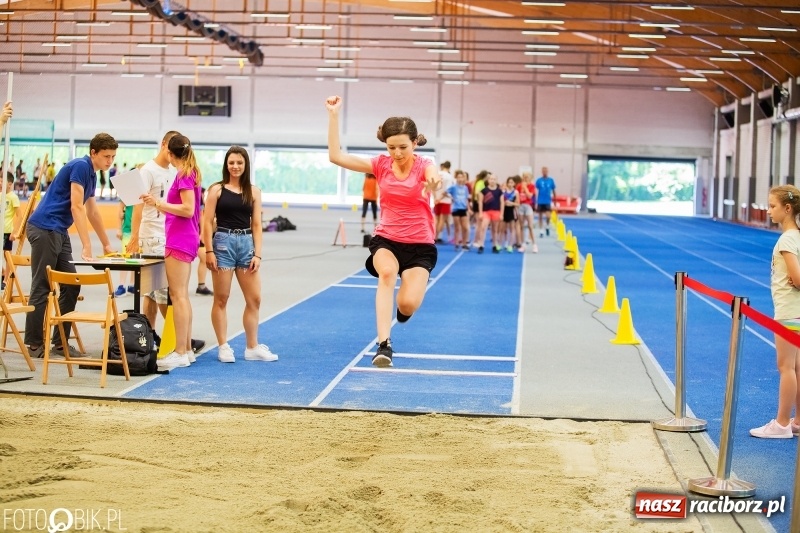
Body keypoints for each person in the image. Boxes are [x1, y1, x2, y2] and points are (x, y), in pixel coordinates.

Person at [326, 95, 440, 368]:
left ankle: (403, 312)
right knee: (387, 274)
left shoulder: (424, 165)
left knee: (408, 304)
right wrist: (333, 115)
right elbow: (336, 156)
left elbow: (434, 175)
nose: (397, 153)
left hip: (420, 245)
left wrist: (435, 182)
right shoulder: (380, 164)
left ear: (415, 143)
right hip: (387, 239)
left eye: (403, 147)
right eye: (391, 147)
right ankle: (384, 345)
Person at [24, 133, 118, 359]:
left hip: (59, 230)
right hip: (44, 227)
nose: (110, 161)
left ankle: (60, 343)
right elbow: (77, 207)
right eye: (106, 156)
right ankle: (34, 343)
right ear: (93, 152)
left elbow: (93, 211)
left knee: (71, 285)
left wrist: (106, 243)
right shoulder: (80, 166)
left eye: (113, 157)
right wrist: (86, 245)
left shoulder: (93, 175)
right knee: (42, 285)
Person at [203, 146, 278, 363]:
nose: (235, 166)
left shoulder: (254, 192)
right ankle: (223, 346)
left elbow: (256, 224)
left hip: (246, 246)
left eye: (239, 163)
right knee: (221, 298)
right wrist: (208, 250)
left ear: (246, 165)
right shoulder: (216, 190)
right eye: (231, 163)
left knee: (254, 299)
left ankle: (252, 346)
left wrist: (258, 254)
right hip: (223, 245)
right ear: (226, 165)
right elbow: (207, 222)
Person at [141, 134, 202, 370]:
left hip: (179, 240)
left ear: (170, 153)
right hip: (183, 238)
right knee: (181, 297)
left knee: (177, 297)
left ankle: (180, 351)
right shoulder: (191, 172)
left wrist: (157, 203)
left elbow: (187, 209)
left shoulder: (184, 174)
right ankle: (185, 349)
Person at [750, 185, 800, 438]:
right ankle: (798, 421)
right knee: (797, 367)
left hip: (789, 311)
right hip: (796, 311)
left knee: (786, 367)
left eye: (772, 206)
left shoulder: (788, 239)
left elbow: (797, 278)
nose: (768, 211)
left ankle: (781, 424)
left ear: (787, 208)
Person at [475, 172, 503, 254]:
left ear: (496, 180)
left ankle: (494, 245)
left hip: (496, 211)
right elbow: (480, 202)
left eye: (494, 179)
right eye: (491, 179)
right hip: (486, 212)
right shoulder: (484, 190)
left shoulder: (499, 191)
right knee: (483, 228)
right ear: (488, 180)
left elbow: (502, 203)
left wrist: (501, 214)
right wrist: (480, 212)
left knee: (495, 229)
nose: (492, 181)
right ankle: (481, 245)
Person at [2, 171, 21, 289]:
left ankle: (6, 279)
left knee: (7, 255)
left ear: (9, 184)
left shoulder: (13, 197)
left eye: (2, 182)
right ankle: (3, 272)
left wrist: (14, 232)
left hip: (7, 230)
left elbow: (20, 216)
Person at [114, 198, 135, 297]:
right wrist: (119, 229)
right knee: (125, 257)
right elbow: (120, 212)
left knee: (136, 258)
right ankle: (121, 285)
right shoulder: (126, 193)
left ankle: (132, 285)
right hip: (127, 230)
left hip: (139, 231)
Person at [447, 170, 471, 251]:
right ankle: (456, 243)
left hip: (463, 209)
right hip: (456, 209)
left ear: (464, 178)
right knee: (457, 227)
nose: (460, 179)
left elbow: (466, 199)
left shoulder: (465, 188)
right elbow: (445, 192)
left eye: (461, 177)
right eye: (458, 177)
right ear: (456, 178)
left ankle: (464, 243)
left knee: (465, 227)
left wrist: (469, 209)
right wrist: (451, 197)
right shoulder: (453, 187)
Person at [196, 187, 213, 296]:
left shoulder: (198, 191)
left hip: (196, 231)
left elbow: (201, 214)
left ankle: (201, 286)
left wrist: (202, 232)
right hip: (186, 231)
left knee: (204, 257)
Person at [517, 171, 538, 253]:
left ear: (530, 178)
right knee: (521, 226)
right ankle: (523, 244)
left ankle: (534, 245)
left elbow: (529, 196)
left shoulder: (532, 186)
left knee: (530, 226)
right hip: (521, 206)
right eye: (524, 177)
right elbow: (517, 196)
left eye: (527, 177)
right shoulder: (519, 186)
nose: (525, 178)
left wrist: (525, 187)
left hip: (528, 206)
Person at [434, 160, 454, 243]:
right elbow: (447, 190)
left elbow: (433, 187)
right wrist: (440, 198)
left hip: (437, 199)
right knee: (442, 221)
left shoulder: (438, 174)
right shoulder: (449, 176)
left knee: (437, 220)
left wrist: (436, 198)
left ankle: (434, 236)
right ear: (449, 167)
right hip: (445, 200)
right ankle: (436, 237)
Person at [535, 166, 556, 237]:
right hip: (540, 201)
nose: (545, 172)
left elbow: (553, 190)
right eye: (543, 171)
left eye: (546, 171)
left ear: (547, 172)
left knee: (548, 216)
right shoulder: (539, 181)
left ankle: (547, 225)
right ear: (542, 172)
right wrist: (535, 201)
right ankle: (541, 230)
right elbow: (536, 191)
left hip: (547, 201)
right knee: (540, 216)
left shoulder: (551, 180)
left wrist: (555, 201)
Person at [501, 176, 519, 252]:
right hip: (505, 210)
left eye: (512, 182)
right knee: (504, 228)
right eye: (509, 182)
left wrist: (511, 203)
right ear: (507, 183)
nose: (510, 184)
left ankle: (510, 244)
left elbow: (518, 204)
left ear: (514, 183)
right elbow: (501, 202)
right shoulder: (504, 191)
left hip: (512, 210)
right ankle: (505, 242)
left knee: (512, 228)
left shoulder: (516, 192)